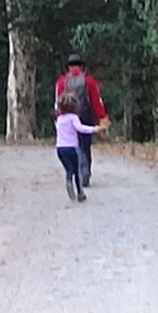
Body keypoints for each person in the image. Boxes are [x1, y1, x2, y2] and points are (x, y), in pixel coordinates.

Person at [50, 51, 107, 201]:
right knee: (84, 144)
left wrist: (58, 118)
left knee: (70, 143)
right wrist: (102, 118)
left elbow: (57, 101)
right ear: (82, 67)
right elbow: (96, 101)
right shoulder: (89, 81)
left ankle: (73, 173)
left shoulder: (61, 82)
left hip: (65, 118)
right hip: (84, 116)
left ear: (68, 67)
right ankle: (85, 172)